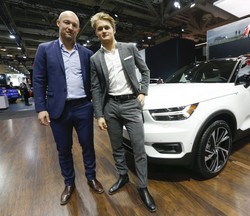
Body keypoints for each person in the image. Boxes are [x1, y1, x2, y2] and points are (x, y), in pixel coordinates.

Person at [33, 10, 103, 205]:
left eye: (74, 25)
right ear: (58, 23)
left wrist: (94, 106)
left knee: (88, 146)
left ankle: (91, 177)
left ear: (78, 30)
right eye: (66, 23)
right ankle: (69, 183)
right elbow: (38, 80)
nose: (70, 27)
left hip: (83, 106)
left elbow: (93, 83)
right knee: (64, 149)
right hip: (58, 109)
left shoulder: (87, 53)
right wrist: (41, 108)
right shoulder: (44, 49)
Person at [90, 12, 157, 213]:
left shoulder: (129, 48)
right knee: (117, 146)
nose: (103, 31)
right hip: (110, 105)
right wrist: (99, 114)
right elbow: (95, 87)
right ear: (96, 33)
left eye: (106, 27)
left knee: (138, 148)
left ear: (113, 29)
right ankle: (123, 176)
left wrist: (143, 92)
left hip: (131, 104)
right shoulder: (95, 58)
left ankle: (143, 187)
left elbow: (145, 71)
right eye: (99, 29)